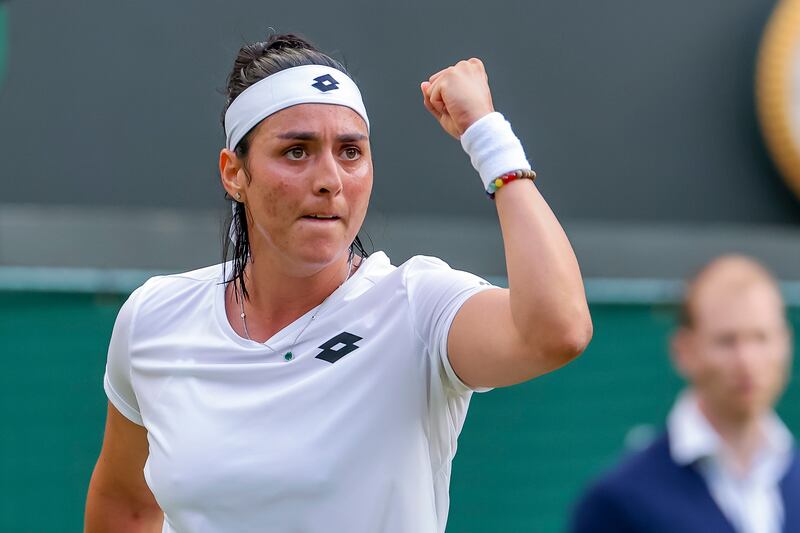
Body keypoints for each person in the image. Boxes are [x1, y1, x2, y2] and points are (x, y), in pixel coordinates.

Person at [84, 34, 592, 532]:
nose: (330, 178)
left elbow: (557, 330)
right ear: (234, 173)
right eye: (296, 152)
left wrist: (486, 133)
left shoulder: (418, 307)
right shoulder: (154, 317)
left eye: (350, 152)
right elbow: (127, 506)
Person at [570, 255, 799, 533]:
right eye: (727, 341)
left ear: (786, 344)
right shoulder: (620, 499)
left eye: (761, 337)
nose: (747, 361)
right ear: (684, 351)